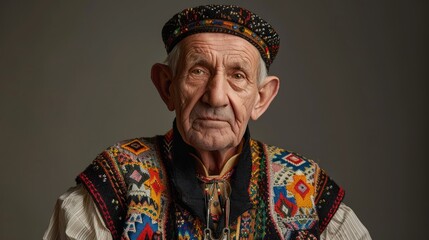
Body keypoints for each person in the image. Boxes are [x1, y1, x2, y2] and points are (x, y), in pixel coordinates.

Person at [44, 4, 371, 240]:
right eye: (198, 70)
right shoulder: (116, 182)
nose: (215, 97)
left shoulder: (306, 191)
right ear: (168, 87)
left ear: (261, 98)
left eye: (238, 76)